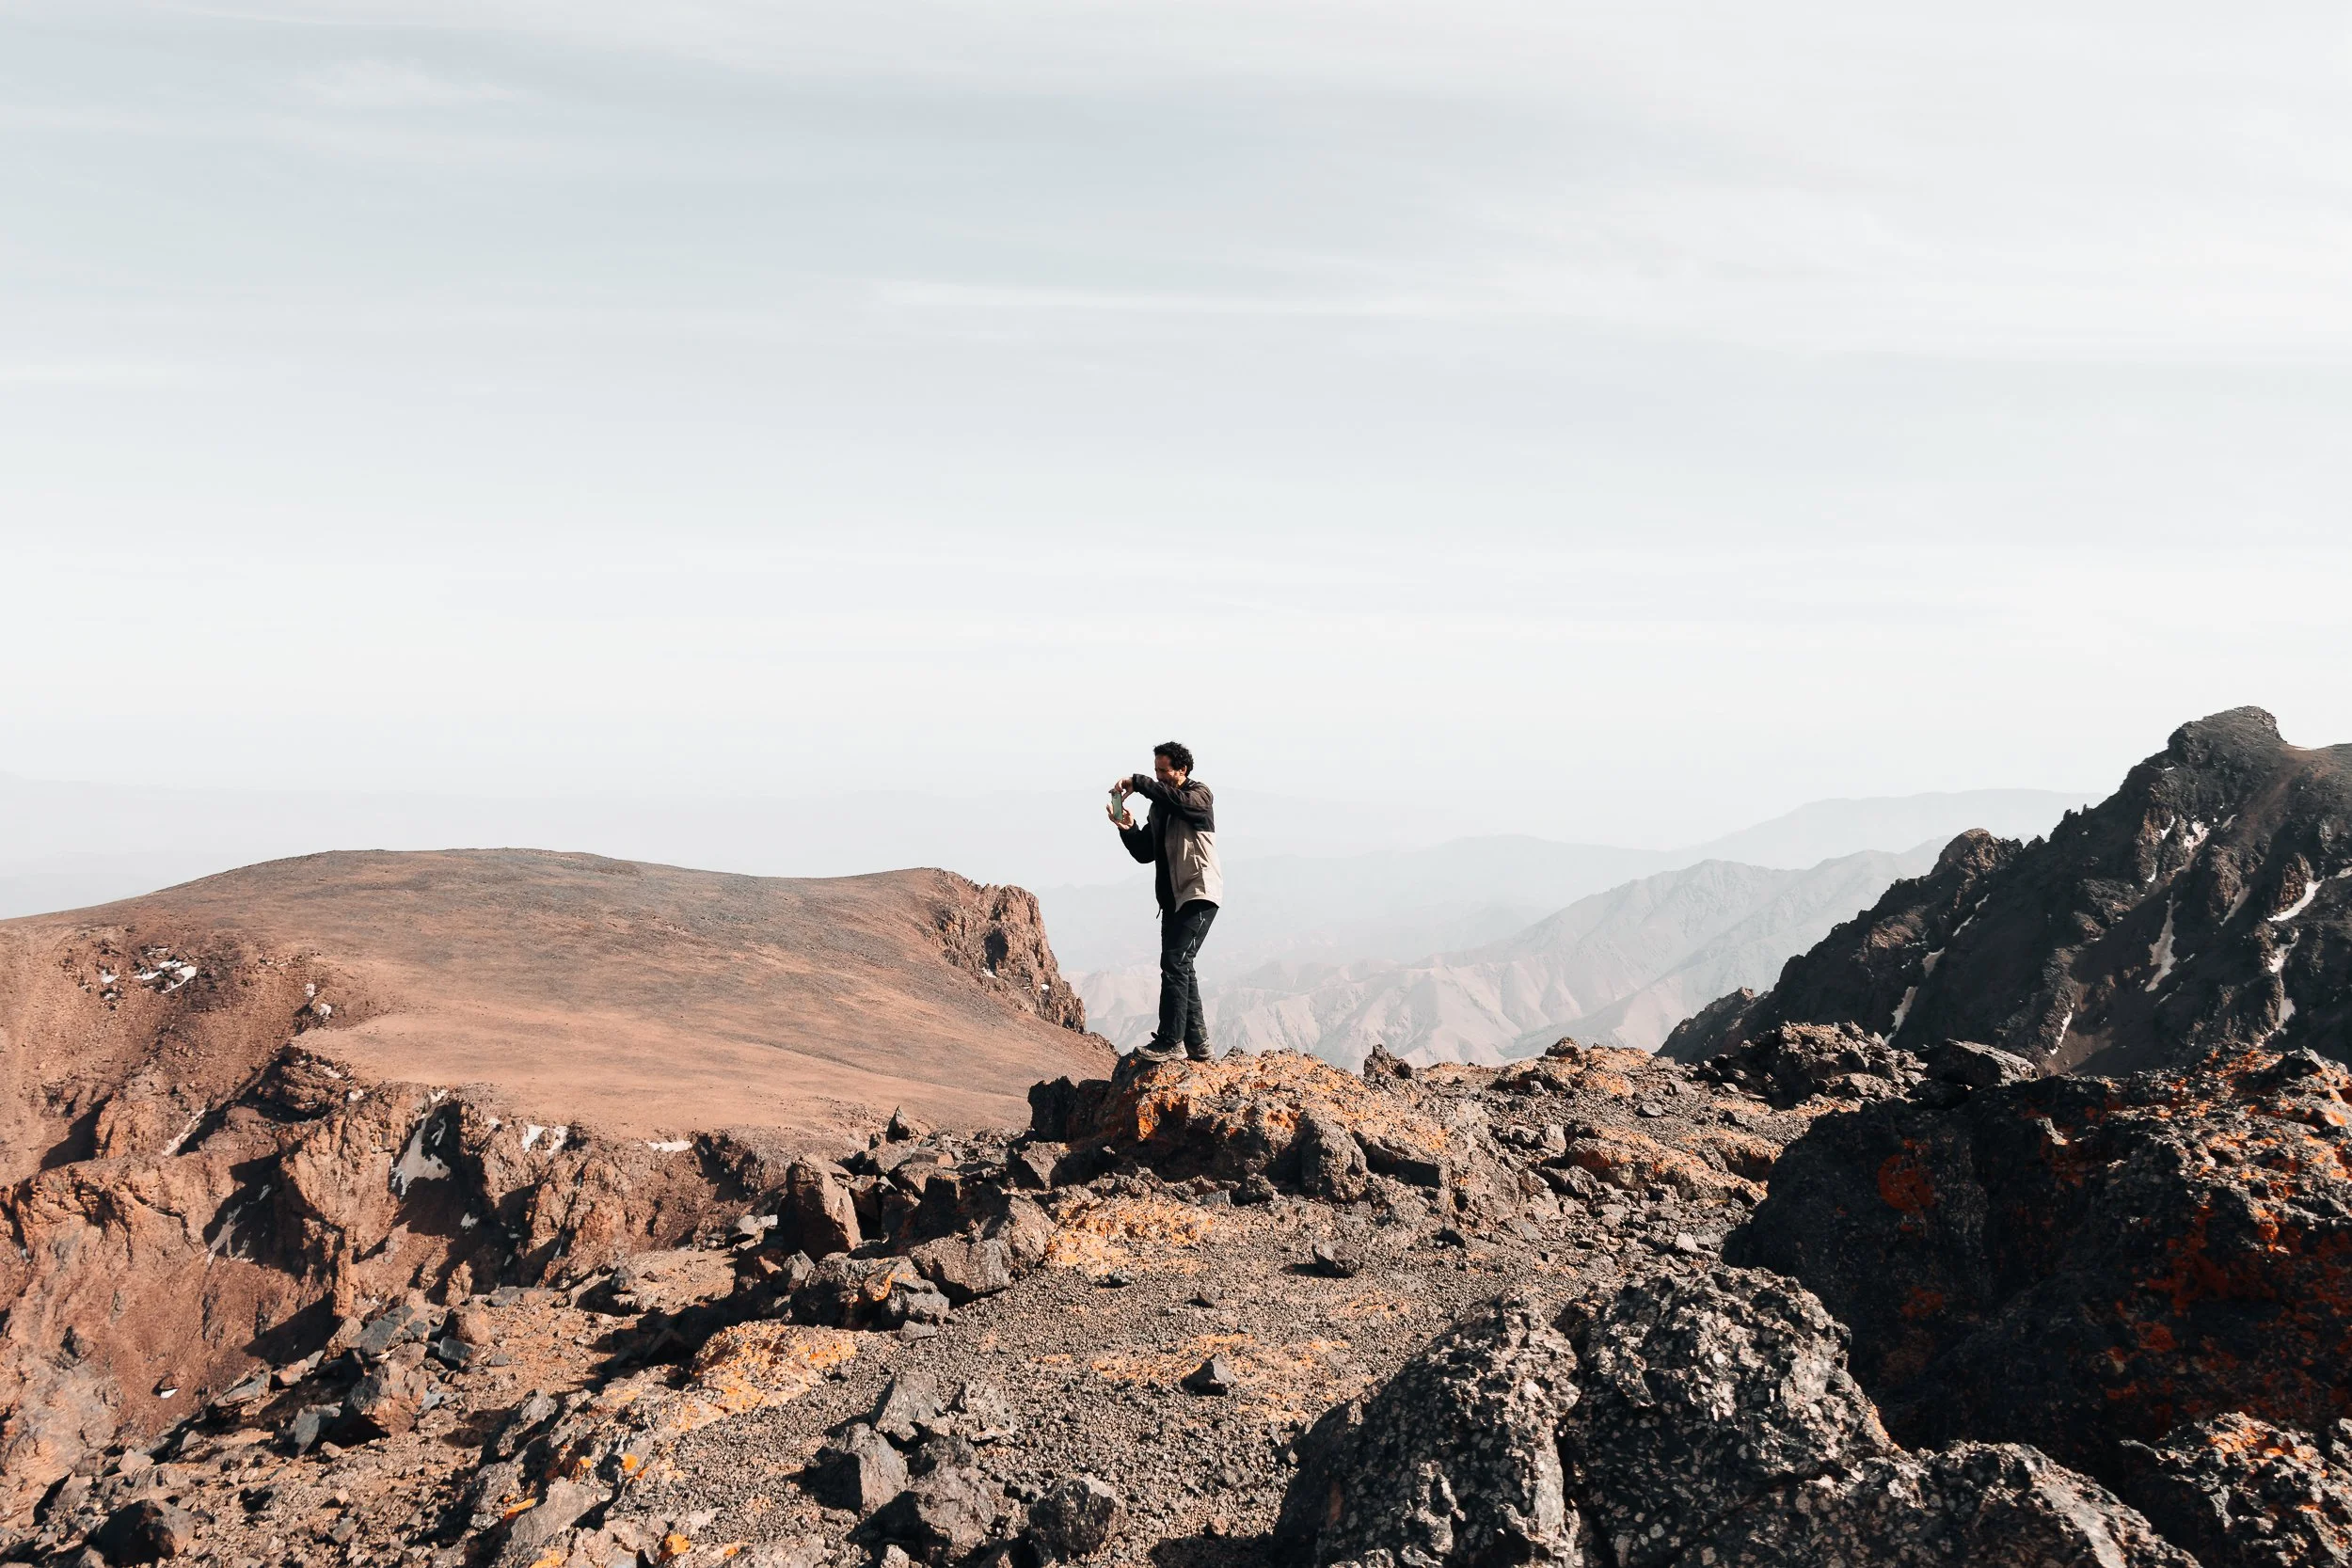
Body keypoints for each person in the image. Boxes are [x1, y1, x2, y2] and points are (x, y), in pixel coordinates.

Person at [1109, 741, 1221, 1062]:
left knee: (1175, 963)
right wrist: (1128, 828)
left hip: (1199, 891)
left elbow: (1180, 803)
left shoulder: (1199, 795)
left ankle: (1172, 1041)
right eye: (1155, 770)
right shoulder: (1159, 807)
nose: (1158, 777)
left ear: (1182, 770)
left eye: (1163, 771)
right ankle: (1198, 1044)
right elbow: (1147, 852)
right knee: (1182, 965)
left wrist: (1139, 782)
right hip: (1173, 897)